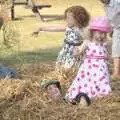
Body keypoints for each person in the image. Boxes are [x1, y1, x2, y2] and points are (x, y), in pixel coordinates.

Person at [33, 6, 90, 85]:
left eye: (68, 18)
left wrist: (80, 49)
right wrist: (41, 28)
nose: (66, 20)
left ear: (78, 19)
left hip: (74, 54)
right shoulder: (68, 27)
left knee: (70, 69)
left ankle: (71, 83)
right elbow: (55, 27)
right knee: (61, 67)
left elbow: (88, 40)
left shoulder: (82, 30)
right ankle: (61, 82)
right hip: (65, 52)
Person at [65, 17, 112, 105]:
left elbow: (106, 55)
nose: (101, 36)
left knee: (101, 80)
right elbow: (79, 50)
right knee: (86, 82)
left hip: (101, 68)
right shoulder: (88, 42)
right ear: (92, 32)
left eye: (104, 34)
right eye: (99, 33)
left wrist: (108, 60)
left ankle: (101, 95)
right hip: (89, 69)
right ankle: (83, 96)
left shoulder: (105, 44)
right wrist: (76, 51)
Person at [99, 0, 120, 79]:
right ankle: (116, 73)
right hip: (117, 29)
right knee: (116, 49)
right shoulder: (105, 5)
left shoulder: (117, 2)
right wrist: (111, 29)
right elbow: (111, 18)